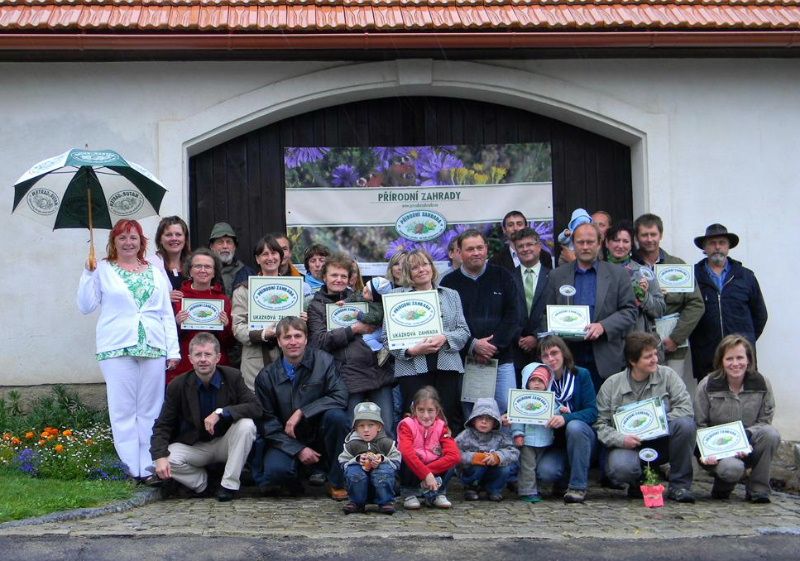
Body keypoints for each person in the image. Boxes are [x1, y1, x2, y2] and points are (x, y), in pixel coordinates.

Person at [77, 219, 179, 481]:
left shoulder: (154, 271)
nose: (128, 242)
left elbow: (166, 313)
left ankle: (149, 465)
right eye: (122, 238)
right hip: (117, 347)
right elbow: (86, 306)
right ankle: (130, 468)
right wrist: (88, 274)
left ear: (141, 242)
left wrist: (173, 350)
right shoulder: (102, 268)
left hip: (153, 345)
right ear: (114, 242)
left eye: (133, 237)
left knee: (150, 409)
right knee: (123, 410)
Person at [150, 333, 260, 501]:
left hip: (226, 442)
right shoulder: (177, 386)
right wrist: (159, 457)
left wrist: (221, 412)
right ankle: (203, 484)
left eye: (208, 354)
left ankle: (228, 485)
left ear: (218, 357)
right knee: (164, 459)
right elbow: (163, 425)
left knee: (246, 425)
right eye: (198, 355)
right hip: (195, 446)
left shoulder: (232, 377)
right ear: (190, 358)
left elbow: (256, 408)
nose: (203, 359)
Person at [252, 316, 350, 500]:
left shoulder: (325, 361)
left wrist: (303, 411)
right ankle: (299, 477)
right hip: (285, 439)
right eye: (287, 337)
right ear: (279, 342)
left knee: (338, 418)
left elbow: (340, 396)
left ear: (306, 338)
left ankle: (337, 481)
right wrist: (298, 450)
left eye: (298, 336)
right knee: (276, 475)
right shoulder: (266, 376)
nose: (293, 342)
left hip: (320, 433)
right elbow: (267, 423)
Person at [595, 332, 697, 503]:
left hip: (662, 440)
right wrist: (621, 439)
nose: (655, 359)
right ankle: (637, 482)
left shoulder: (668, 375)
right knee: (620, 467)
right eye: (648, 356)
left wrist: (657, 424)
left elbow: (685, 408)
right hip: (629, 445)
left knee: (685, 425)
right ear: (633, 361)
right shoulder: (612, 385)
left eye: (655, 354)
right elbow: (600, 424)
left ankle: (679, 486)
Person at [544, 222, 638, 393]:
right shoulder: (557, 275)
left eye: (590, 242)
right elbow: (546, 313)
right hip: (569, 355)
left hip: (605, 356)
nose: (585, 247)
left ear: (599, 243)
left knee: (606, 412)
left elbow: (630, 311)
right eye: (580, 242)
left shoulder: (618, 274)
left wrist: (603, 326)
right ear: (573, 244)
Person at [307, 253, 394, 435]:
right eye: (334, 275)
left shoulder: (361, 298)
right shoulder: (316, 306)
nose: (338, 280)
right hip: (347, 378)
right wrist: (352, 330)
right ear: (324, 277)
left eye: (343, 276)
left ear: (349, 278)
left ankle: (387, 463)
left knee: (386, 429)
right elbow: (319, 342)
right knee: (354, 432)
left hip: (377, 373)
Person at [389, 249, 471, 435]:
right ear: (407, 273)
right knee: (416, 422)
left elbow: (464, 331)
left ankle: (449, 463)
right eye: (414, 267)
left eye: (424, 264)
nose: (421, 270)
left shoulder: (451, 295)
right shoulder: (396, 297)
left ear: (432, 267)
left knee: (448, 418)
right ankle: (416, 463)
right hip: (411, 370)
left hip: (447, 366)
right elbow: (388, 338)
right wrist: (412, 351)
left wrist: (445, 338)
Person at [441, 229, 520, 416]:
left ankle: (506, 447)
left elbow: (513, 315)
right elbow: (446, 324)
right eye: (470, 249)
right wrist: (473, 346)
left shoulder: (503, 276)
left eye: (479, 248)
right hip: (466, 361)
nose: (476, 253)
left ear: (487, 249)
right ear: (459, 252)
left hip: (501, 359)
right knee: (474, 417)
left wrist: (491, 346)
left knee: (507, 411)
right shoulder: (448, 283)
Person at [694, 335, 780, 503]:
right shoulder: (707, 385)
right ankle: (723, 486)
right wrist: (707, 451)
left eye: (740, 357)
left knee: (771, 434)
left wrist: (745, 437)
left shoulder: (762, 384)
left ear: (749, 359)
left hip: (750, 444)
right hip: (717, 450)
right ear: (721, 361)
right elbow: (699, 423)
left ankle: (758, 490)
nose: (735, 363)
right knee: (732, 469)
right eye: (729, 358)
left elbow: (764, 421)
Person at [632, 213, 705, 385]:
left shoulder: (677, 265)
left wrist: (676, 338)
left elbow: (696, 304)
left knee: (672, 391)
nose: (649, 239)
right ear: (636, 237)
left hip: (672, 345)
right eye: (644, 235)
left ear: (661, 235)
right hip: (639, 345)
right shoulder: (629, 267)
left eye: (653, 234)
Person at [690, 223, 768, 381]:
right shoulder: (692, 277)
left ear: (728, 247)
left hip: (741, 359)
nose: (717, 247)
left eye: (722, 243)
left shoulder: (746, 277)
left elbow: (760, 315)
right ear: (704, 248)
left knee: (745, 401)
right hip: (707, 357)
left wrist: (745, 340)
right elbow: (685, 312)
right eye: (712, 243)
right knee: (709, 401)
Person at [535, 336, 598, 504]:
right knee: (545, 472)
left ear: (564, 353)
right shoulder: (538, 381)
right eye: (545, 355)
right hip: (556, 443)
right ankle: (563, 481)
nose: (551, 359)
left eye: (554, 353)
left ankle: (577, 487)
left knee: (575, 427)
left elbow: (592, 412)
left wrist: (566, 418)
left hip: (582, 438)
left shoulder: (581, 375)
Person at [170, 248, 234, 385]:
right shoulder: (178, 298)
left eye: (208, 267)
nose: (203, 270)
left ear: (214, 272)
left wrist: (227, 326)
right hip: (184, 368)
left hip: (216, 369)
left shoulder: (223, 300)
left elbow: (230, 343)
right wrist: (176, 323)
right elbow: (168, 337)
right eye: (198, 266)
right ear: (190, 270)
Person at [231, 235, 286, 390]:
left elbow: (301, 327)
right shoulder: (244, 290)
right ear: (257, 259)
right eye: (264, 254)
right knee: (257, 406)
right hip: (255, 361)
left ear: (281, 258)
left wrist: (302, 321)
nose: (270, 258)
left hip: (287, 357)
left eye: (274, 253)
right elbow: (237, 327)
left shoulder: (294, 288)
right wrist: (262, 334)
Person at [397, 386, 461, 510]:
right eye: (421, 410)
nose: (426, 415)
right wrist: (426, 474)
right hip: (413, 470)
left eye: (430, 410)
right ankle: (409, 493)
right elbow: (406, 452)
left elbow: (454, 455)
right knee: (406, 457)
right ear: (414, 410)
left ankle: (439, 492)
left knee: (450, 462)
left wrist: (427, 473)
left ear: (437, 411)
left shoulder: (442, 427)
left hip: (432, 473)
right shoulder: (407, 425)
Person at [604, 220, 666, 340]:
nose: (620, 245)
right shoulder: (597, 271)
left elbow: (660, 310)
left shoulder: (643, 272)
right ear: (607, 243)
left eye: (626, 241)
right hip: (606, 340)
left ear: (631, 244)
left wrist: (644, 297)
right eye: (616, 240)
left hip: (637, 341)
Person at [338, 401, 401, 514]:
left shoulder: (386, 443)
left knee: (384, 470)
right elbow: (343, 462)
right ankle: (357, 502)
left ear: (379, 427)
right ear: (356, 428)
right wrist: (357, 460)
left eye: (370, 425)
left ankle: (385, 502)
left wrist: (382, 459)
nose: (366, 429)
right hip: (359, 483)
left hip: (381, 482)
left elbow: (396, 462)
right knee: (353, 471)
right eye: (361, 426)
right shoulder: (351, 444)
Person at [456, 397, 519, 502]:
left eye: (488, 419)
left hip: (492, 469)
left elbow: (514, 452)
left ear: (495, 422)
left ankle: (494, 489)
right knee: (478, 466)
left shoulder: (500, 436)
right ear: (473, 420)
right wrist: (473, 457)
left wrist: (498, 457)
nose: (484, 422)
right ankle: (471, 488)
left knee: (505, 469)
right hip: (472, 470)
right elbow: (454, 451)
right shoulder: (465, 435)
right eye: (480, 418)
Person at [510, 227, 551, 386]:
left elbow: (554, 311)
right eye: (520, 246)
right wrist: (518, 337)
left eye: (530, 244)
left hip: (545, 349)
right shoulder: (507, 278)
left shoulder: (554, 276)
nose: (525, 249)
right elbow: (505, 313)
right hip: (515, 350)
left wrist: (536, 336)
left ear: (539, 246)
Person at [511, 363, 555, 503]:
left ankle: (539, 488)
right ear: (526, 381)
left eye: (540, 381)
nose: (536, 384)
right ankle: (527, 491)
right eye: (533, 380)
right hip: (527, 440)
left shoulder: (550, 400)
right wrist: (518, 433)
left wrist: (562, 412)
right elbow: (516, 419)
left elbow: (557, 412)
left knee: (540, 466)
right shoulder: (520, 399)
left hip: (545, 439)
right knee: (527, 467)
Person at [208, 222, 253, 298]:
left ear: (234, 247)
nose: (225, 246)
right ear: (212, 247)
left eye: (229, 242)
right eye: (220, 242)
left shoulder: (248, 273)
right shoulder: (203, 272)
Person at [154, 216, 191, 303]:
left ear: (185, 239)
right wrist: (164, 298)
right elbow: (141, 296)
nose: (174, 238)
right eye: (168, 235)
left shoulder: (194, 264)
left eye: (178, 234)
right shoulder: (150, 265)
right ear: (160, 239)